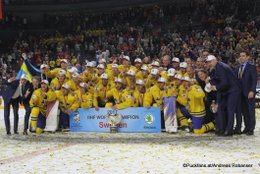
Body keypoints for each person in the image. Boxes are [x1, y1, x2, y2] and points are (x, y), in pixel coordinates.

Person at [206, 55, 240, 136]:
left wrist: (215, 87)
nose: (209, 64)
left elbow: (225, 83)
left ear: (215, 60)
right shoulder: (216, 67)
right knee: (221, 108)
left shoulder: (220, 67)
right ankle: (222, 128)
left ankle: (229, 130)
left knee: (230, 110)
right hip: (226, 91)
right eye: (208, 62)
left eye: (210, 62)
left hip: (232, 90)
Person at [235, 51, 257, 135]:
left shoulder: (252, 67)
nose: (241, 57)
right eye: (240, 56)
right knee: (244, 112)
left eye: (243, 56)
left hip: (249, 93)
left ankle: (251, 129)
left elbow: (254, 80)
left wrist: (252, 91)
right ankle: (246, 127)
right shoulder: (237, 67)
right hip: (240, 94)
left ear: (247, 57)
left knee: (250, 111)